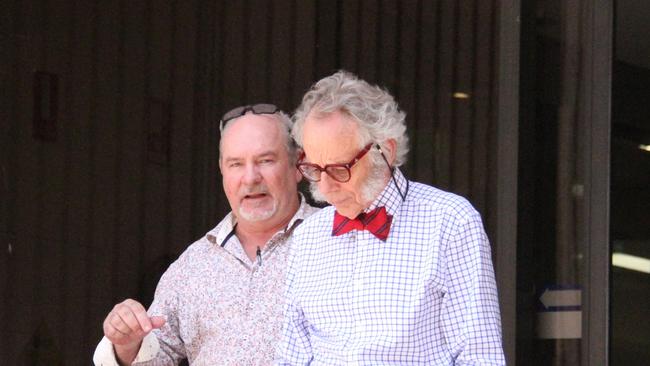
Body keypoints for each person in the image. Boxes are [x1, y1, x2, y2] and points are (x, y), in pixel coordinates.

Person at [275, 71, 506, 365]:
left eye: (339, 169)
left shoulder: (450, 223)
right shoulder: (309, 236)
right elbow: (291, 357)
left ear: (385, 151)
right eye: (314, 169)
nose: (325, 187)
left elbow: (479, 356)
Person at [93, 104, 319, 365]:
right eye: (236, 164)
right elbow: (156, 356)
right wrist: (128, 345)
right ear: (222, 171)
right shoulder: (194, 263)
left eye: (265, 161)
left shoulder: (334, 239)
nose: (250, 178)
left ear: (298, 165)